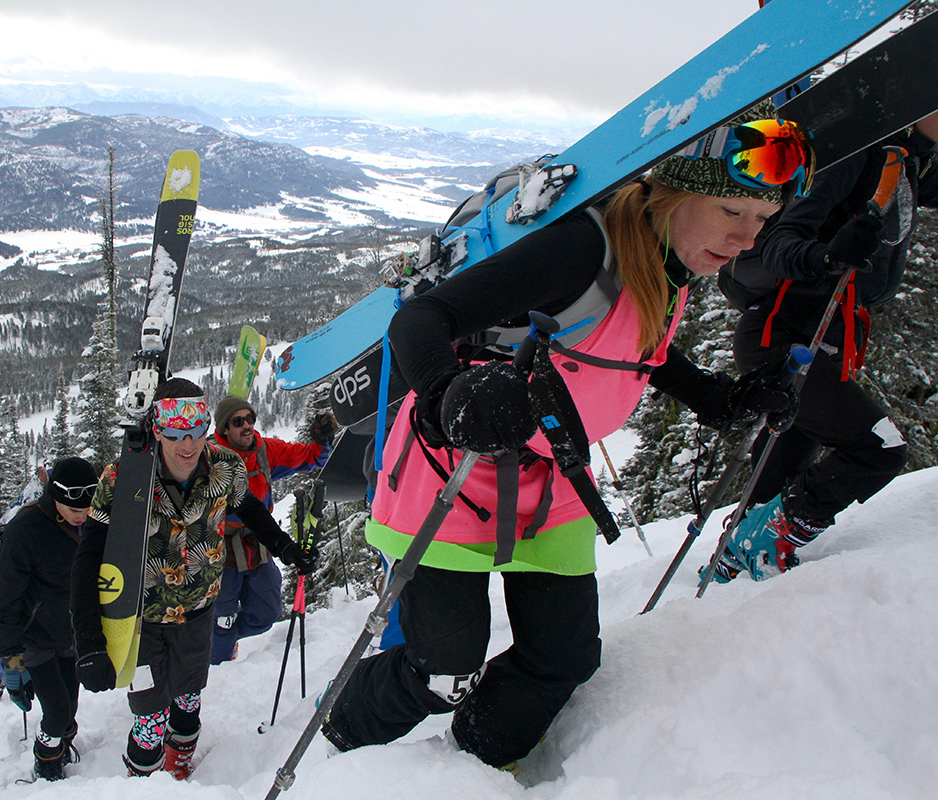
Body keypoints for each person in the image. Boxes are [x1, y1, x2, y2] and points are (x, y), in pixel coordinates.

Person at [319, 110, 813, 770]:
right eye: (732, 209)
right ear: (671, 192)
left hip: (555, 483)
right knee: (444, 674)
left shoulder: (667, 263)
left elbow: (643, 351)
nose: (748, 238)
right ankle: (336, 743)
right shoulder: (584, 247)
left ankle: (469, 773)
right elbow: (421, 319)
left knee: (564, 660)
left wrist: (722, 400)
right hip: (455, 467)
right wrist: (444, 398)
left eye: (762, 219)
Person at [710, 111, 938, 582]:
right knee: (879, 448)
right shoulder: (859, 152)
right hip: (784, 336)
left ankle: (734, 572)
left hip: (827, 338)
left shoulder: (913, 161)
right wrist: (828, 255)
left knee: (779, 474)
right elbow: (777, 243)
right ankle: (768, 538)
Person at [70, 378, 315, 779]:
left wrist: (285, 547)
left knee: (187, 702)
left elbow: (250, 509)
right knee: (149, 719)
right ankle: (144, 781)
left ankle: (180, 762)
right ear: (158, 430)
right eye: (176, 434)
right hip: (142, 620)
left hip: (200, 611)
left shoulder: (224, 466)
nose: (187, 446)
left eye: (195, 433)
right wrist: (89, 642)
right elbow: (88, 560)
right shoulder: (123, 479)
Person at [0, 455, 99, 781]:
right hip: (35, 637)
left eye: (86, 510)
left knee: (70, 709)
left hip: (70, 634)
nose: (82, 517)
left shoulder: (94, 522)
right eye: (74, 510)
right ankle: (47, 761)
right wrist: (11, 658)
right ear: (55, 497)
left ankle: (62, 744)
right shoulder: (26, 529)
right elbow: (5, 597)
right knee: (57, 711)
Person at [209, 395, 335, 664]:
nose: (247, 426)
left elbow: (311, 458)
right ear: (224, 429)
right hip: (220, 552)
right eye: (238, 421)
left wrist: (321, 440)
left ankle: (221, 639)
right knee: (221, 619)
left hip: (260, 544)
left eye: (250, 419)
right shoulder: (209, 459)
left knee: (266, 614)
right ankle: (214, 673)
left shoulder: (265, 452)